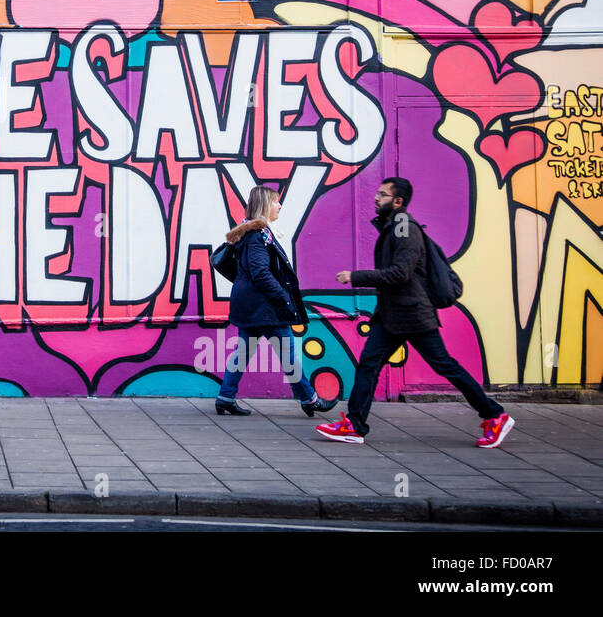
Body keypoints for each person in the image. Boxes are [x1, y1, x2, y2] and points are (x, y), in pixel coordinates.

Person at [318, 177, 514, 448]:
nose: (376, 198)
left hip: (412, 315)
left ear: (398, 202)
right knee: (369, 365)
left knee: (445, 366)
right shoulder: (393, 227)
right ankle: (354, 425)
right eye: (378, 193)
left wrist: (356, 276)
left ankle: (494, 415)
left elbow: (401, 273)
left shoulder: (403, 228)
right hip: (393, 316)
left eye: (383, 195)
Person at [215, 185, 338, 418]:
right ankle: (309, 399)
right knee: (288, 353)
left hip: (250, 305)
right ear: (264, 205)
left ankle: (225, 397)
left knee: (243, 351)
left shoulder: (253, 233)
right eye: (275, 201)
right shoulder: (256, 237)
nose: (279, 205)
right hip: (265, 307)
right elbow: (260, 273)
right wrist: (282, 297)